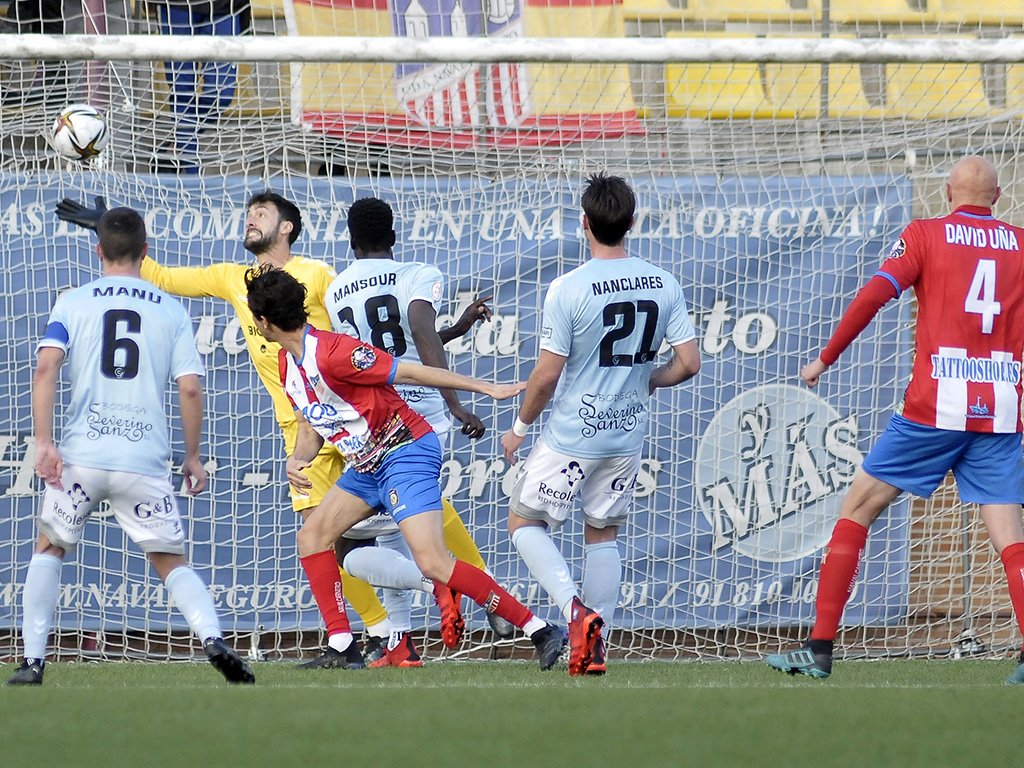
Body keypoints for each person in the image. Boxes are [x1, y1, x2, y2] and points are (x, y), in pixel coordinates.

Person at [55, 192, 501, 667]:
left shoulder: (321, 277)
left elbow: (370, 347)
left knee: (383, 518)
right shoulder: (231, 278)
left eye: (261, 214)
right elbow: (162, 276)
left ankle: (443, 604)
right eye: (248, 214)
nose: (250, 220)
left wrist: (448, 340)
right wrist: (109, 230)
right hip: (305, 427)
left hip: (349, 415)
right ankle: (391, 632)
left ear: (286, 227)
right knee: (337, 538)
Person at [765, 156, 1024, 685]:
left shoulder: (925, 234)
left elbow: (874, 296)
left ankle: (819, 647)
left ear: (948, 192)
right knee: (1009, 535)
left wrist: (825, 359)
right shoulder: (1020, 243)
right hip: (999, 407)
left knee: (858, 506)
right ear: (998, 198)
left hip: (934, 406)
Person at [244, 265, 568, 671]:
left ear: (264, 321)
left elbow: (409, 369)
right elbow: (311, 426)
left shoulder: (334, 351)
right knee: (312, 538)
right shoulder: (286, 364)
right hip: (367, 466)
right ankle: (343, 646)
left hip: (405, 450)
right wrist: (298, 459)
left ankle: (541, 630)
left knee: (433, 562)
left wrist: (485, 387)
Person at [8, 207, 254, 686]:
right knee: (171, 562)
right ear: (145, 251)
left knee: (49, 547)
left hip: (81, 458)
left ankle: (33, 662)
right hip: (143, 461)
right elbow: (190, 388)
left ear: (98, 250)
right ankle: (212, 639)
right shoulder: (171, 309)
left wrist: (43, 443)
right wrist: (192, 456)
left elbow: (45, 368)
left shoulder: (72, 302)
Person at [500, 172, 700, 677]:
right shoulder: (663, 282)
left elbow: (546, 375)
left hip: (572, 435)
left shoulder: (568, 287)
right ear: (631, 223)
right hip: (626, 435)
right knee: (603, 534)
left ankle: (574, 611)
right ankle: (596, 647)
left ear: (584, 223)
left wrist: (519, 428)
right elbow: (689, 363)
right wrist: (649, 380)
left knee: (523, 523)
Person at [324, 196, 513, 668]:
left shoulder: (336, 291)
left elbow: (379, 355)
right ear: (393, 237)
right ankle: (418, 624)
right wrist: (455, 403)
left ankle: (405, 633)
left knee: (357, 542)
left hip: (371, 417)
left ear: (351, 242)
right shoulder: (416, 273)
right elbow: (418, 336)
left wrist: (455, 331)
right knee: (390, 531)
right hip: (421, 413)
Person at [153, 0, 252, 171]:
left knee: (221, 95)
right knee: (182, 92)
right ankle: (194, 177)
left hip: (224, 6)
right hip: (176, 5)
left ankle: (178, 142)